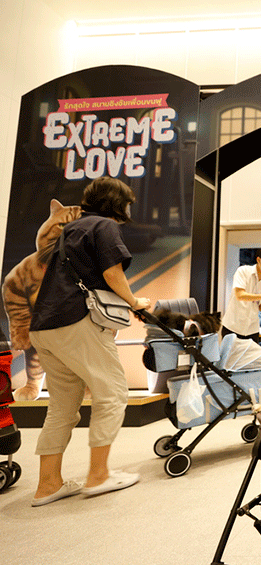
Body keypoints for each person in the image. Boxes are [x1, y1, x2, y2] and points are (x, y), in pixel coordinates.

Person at [28, 177, 152, 506]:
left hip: (44, 325)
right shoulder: (104, 225)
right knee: (112, 392)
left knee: (61, 407)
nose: (128, 210)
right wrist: (135, 302)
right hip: (75, 321)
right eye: (127, 204)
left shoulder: (71, 229)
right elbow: (112, 273)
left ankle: (48, 484)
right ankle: (99, 476)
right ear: (117, 203)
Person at [221, 245, 261, 342]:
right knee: (230, 352)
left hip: (252, 329)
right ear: (259, 260)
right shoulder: (243, 271)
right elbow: (240, 295)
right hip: (232, 326)